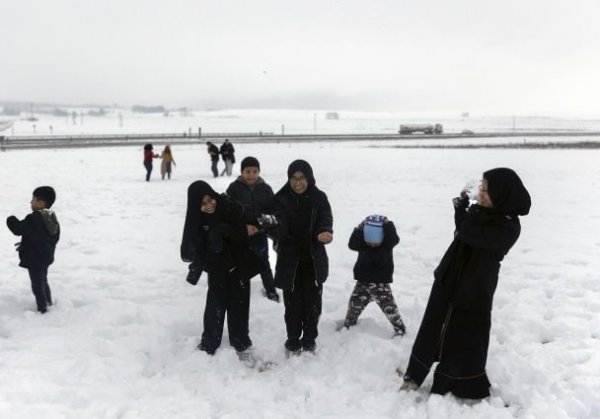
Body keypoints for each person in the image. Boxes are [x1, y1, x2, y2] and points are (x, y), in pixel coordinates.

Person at [400, 168, 531, 399]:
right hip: (450, 276)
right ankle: (415, 373)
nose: (481, 193)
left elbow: (471, 234)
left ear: (501, 195)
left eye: (487, 190)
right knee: (432, 326)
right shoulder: (481, 212)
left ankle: (457, 383)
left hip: (475, 287)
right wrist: (461, 209)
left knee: (463, 335)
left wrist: (468, 214)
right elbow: (463, 231)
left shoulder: (509, 226)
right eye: (481, 187)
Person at [180, 180, 262, 365]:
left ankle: (241, 344)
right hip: (217, 270)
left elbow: (250, 229)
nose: (209, 205)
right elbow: (192, 249)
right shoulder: (197, 221)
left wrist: (222, 230)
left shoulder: (229, 207)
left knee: (239, 307)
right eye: (203, 203)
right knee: (214, 307)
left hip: (239, 266)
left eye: (210, 199)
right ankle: (209, 345)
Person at [268, 160, 333, 355]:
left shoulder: (319, 197)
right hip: (290, 261)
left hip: (313, 260)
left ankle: (310, 338)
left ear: (309, 178)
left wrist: (324, 231)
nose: (298, 183)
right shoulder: (280, 199)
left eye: (302, 178)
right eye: (294, 179)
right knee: (292, 304)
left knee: (313, 303)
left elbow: (325, 218)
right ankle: (293, 339)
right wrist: (272, 228)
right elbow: (274, 226)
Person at [340, 214, 406, 335]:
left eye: (375, 243)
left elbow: (394, 238)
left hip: (380, 284)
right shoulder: (363, 245)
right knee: (354, 304)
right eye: (369, 242)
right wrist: (359, 229)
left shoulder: (387, 245)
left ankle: (400, 328)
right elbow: (352, 244)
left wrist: (388, 225)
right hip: (363, 282)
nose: (372, 245)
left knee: (389, 308)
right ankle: (349, 325)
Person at [226, 157, 280, 302]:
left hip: (259, 234)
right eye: (248, 171)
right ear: (242, 172)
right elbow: (227, 211)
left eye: (254, 171)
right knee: (238, 263)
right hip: (240, 235)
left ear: (259, 172)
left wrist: (258, 227)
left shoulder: (266, 189)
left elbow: (274, 213)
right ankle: (236, 290)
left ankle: (270, 289)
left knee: (263, 263)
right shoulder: (234, 188)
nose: (251, 175)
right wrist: (243, 228)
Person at [6, 186, 61, 313]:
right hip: (46, 257)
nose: (31, 202)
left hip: (35, 259)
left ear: (41, 202)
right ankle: (48, 302)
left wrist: (10, 219)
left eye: (33, 199)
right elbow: (49, 237)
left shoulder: (33, 218)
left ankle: (43, 309)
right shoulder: (51, 217)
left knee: (37, 285)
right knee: (44, 280)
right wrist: (25, 243)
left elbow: (18, 229)